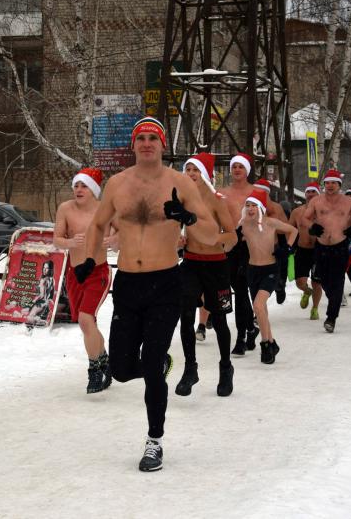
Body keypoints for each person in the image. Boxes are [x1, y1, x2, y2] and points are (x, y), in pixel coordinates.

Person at [79, 116, 218, 472]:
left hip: (165, 284)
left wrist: (186, 216)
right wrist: (91, 262)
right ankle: (155, 366)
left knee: (153, 366)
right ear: (133, 145)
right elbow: (97, 225)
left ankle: (154, 441)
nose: (145, 143)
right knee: (123, 370)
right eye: (140, 138)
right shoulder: (118, 184)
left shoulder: (179, 183)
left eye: (152, 138)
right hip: (128, 283)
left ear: (163, 144)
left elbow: (212, 234)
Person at [175, 152, 238, 397]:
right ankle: (190, 368)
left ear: (204, 175)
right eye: (188, 169)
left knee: (220, 320)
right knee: (186, 314)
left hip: (216, 265)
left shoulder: (216, 201)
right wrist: (177, 240)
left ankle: (225, 367)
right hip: (190, 263)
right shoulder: (180, 199)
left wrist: (216, 239)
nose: (190, 174)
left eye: (195, 170)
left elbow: (232, 235)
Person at [54, 168, 113, 394]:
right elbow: (57, 239)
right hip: (74, 272)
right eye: (76, 185)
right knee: (87, 323)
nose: (79, 190)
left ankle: (94, 370)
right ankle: (104, 359)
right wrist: (70, 243)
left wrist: (111, 240)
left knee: (85, 319)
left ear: (94, 190)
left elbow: (121, 235)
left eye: (84, 186)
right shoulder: (65, 209)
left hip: (98, 273)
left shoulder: (105, 210)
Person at [302, 169, 351, 332]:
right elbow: (306, 217)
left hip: (340, 245)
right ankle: (334, 299)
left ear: (339, 185)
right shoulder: (316, 201)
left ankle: (331, 317)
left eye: (333, 183)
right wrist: (312, 227)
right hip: (321, 246)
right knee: (323, 279)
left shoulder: (349, 202)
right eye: (327, 182)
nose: (330, 185)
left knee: (337, 280)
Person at [241, 190, 298, 362]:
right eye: (248, 205)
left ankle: (265, 344)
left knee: (258, 306)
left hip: (270, 270)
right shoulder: (243, 224)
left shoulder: (271, 223)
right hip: (252, 271)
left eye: (254, 206)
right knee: (261, 309)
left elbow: (293, 230)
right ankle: (272, 342)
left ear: (261, 208)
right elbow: (229, 234)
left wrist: (287, 248)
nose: (251, 209)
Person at [220, 153, 260, 355]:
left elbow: (266, 216)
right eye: (234, 166)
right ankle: (251, 328)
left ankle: (241, 337)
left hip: (249, 246)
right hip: (229, 246)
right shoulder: (221, 193)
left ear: (247, 171)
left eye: (241, 167)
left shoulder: (256, 192)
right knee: (235, 289)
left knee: (242, 291)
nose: (237, 170)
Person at [288, 181, 323, 319]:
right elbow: (289, 229)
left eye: (313, 192)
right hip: (302, 250)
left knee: (317, 282)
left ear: (318, 194)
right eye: (308, 192)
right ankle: (307, 292)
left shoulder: (323, 212)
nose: (310, 194)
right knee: (299, 282)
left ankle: (315, 308)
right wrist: (289, 245)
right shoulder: (297, 212)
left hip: (318, 251)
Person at [254, 178, 291, 305]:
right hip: (255, 248)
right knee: (257, 282)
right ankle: (257, 312)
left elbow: (287, 230)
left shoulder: (276, 208)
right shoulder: (249, 206)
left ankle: (280, 286)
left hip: (274, 245)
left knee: (277, 276)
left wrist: (286, 247)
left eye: (262, 192)